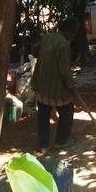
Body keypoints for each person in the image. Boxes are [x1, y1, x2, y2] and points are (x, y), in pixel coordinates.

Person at [30, 17, 78, 152]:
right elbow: (64, 70)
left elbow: (34, 49)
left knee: (43, 115)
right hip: (55, 88)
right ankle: (61, 141)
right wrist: (70, 86)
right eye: (73, 33)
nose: (73, 37)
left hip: (40, 84)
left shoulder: (47, 38)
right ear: (68, 31)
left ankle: (43, 145)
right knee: (67, 112)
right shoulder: (63, 45)